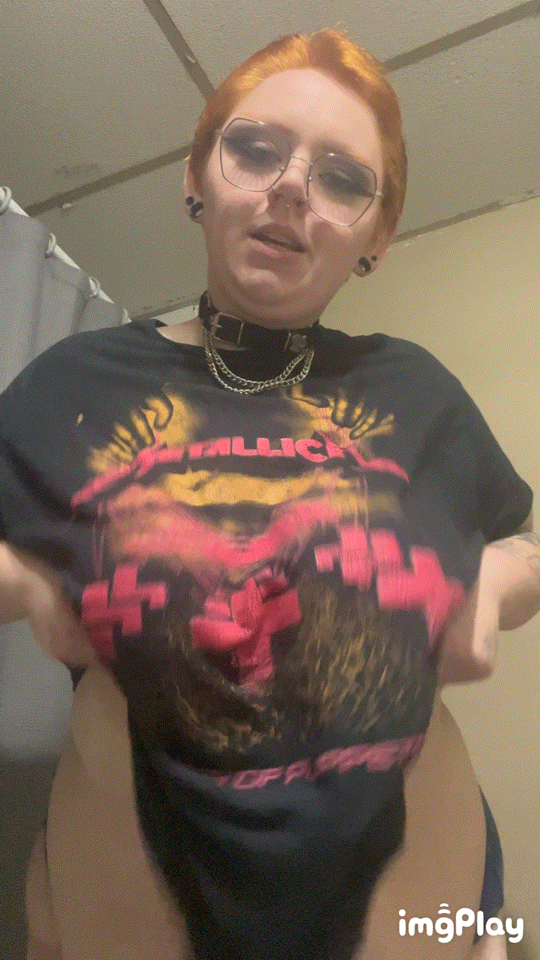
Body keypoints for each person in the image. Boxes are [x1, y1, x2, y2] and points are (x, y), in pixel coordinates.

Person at [1, 27, 537, 960]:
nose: (291, 186)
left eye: (342, 178)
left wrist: (490, 586)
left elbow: (522, 545)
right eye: (255, 149)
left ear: (376, 234)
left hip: (433, 918)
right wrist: (32, 586)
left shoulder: (417, 389)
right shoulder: (74, 382)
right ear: (195, 177)